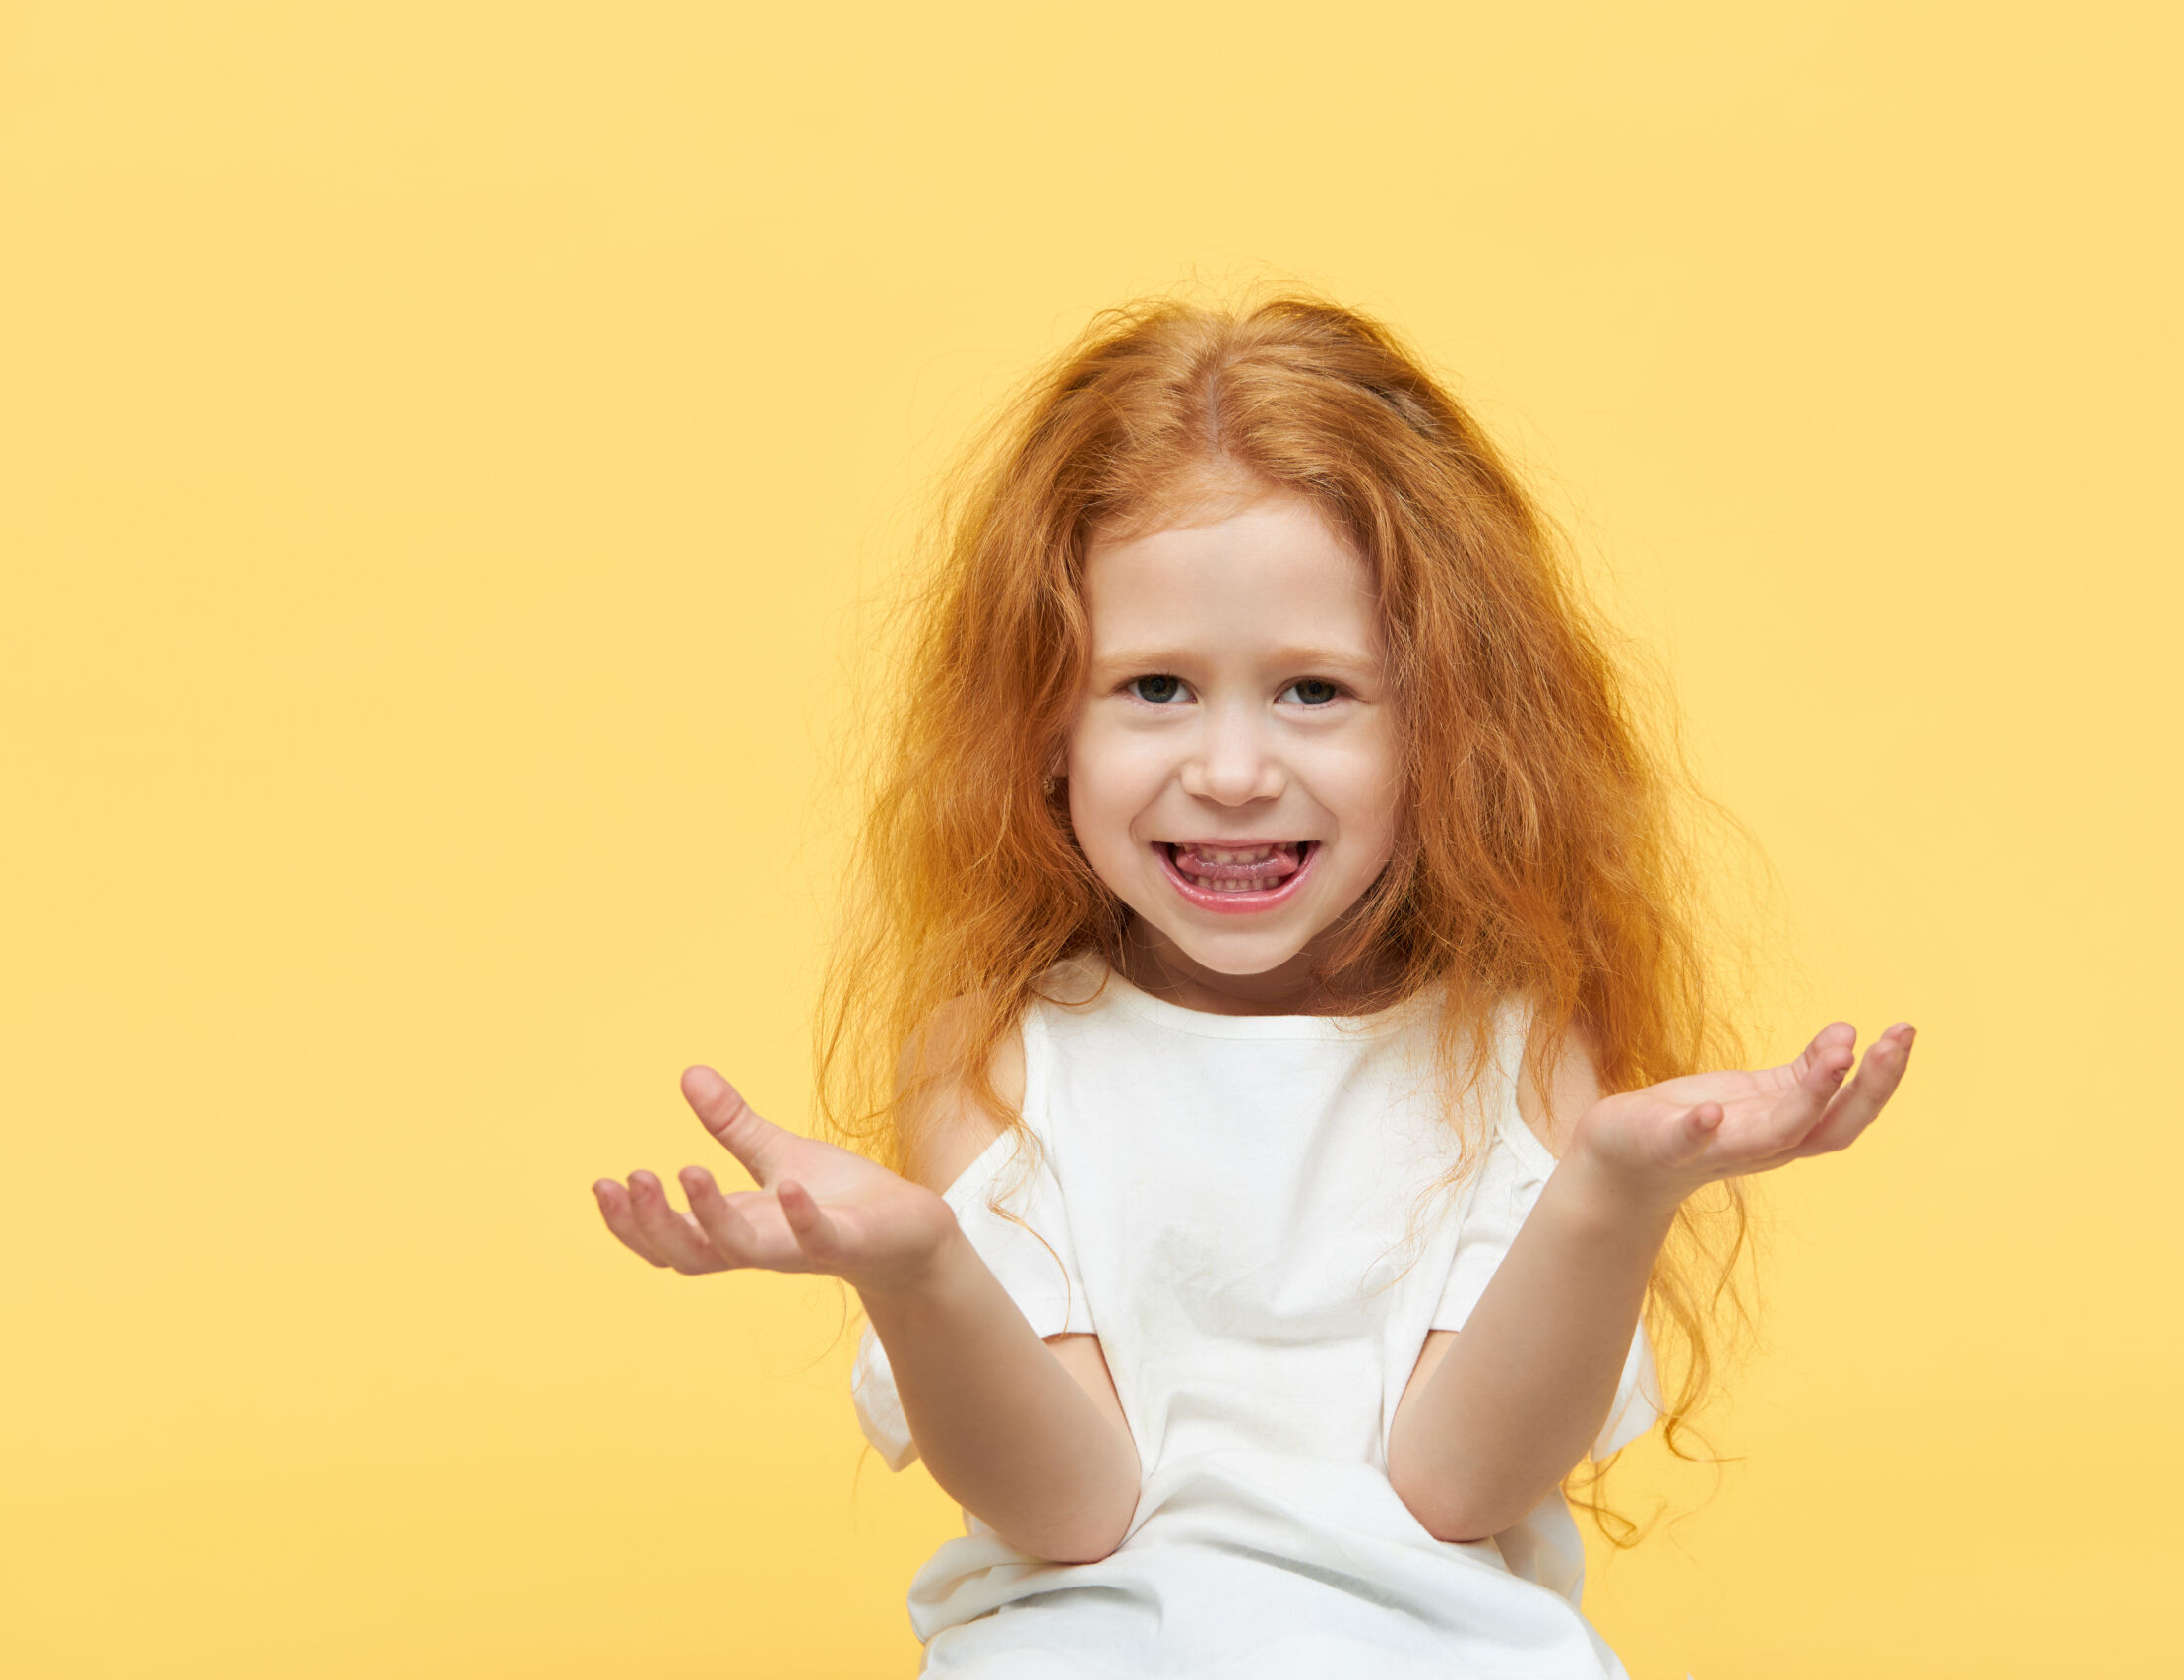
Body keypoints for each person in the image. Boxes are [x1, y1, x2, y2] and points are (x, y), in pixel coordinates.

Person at [591, 295, 1914, 1677]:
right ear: (1044, 726)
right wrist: (919, 1271)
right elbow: (1074, 1510)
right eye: (1156, 688)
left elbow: (1456, 1488)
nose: (1230, 772)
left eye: (1313, 693)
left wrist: (1615, 1190)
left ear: (1445, 728)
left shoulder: (1512, 1045)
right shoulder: (1001, 1055)